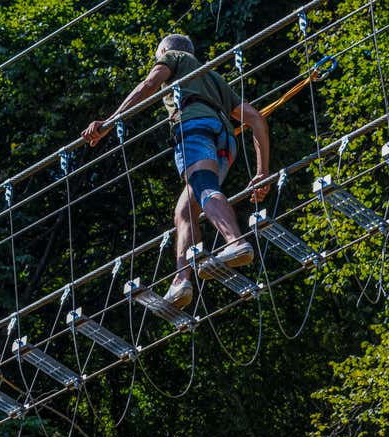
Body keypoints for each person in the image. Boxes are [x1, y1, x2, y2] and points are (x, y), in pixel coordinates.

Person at [81, 34, 271, 308]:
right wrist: (262, 171)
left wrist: (109, 123)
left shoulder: (174, 58)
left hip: (194, 127)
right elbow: (255, 119)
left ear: (165, 52)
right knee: (185, 210)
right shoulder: (214, 79)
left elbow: (148, 85)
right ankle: (182, 281)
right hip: (226, 141)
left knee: (204, 186)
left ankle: (235, 241)